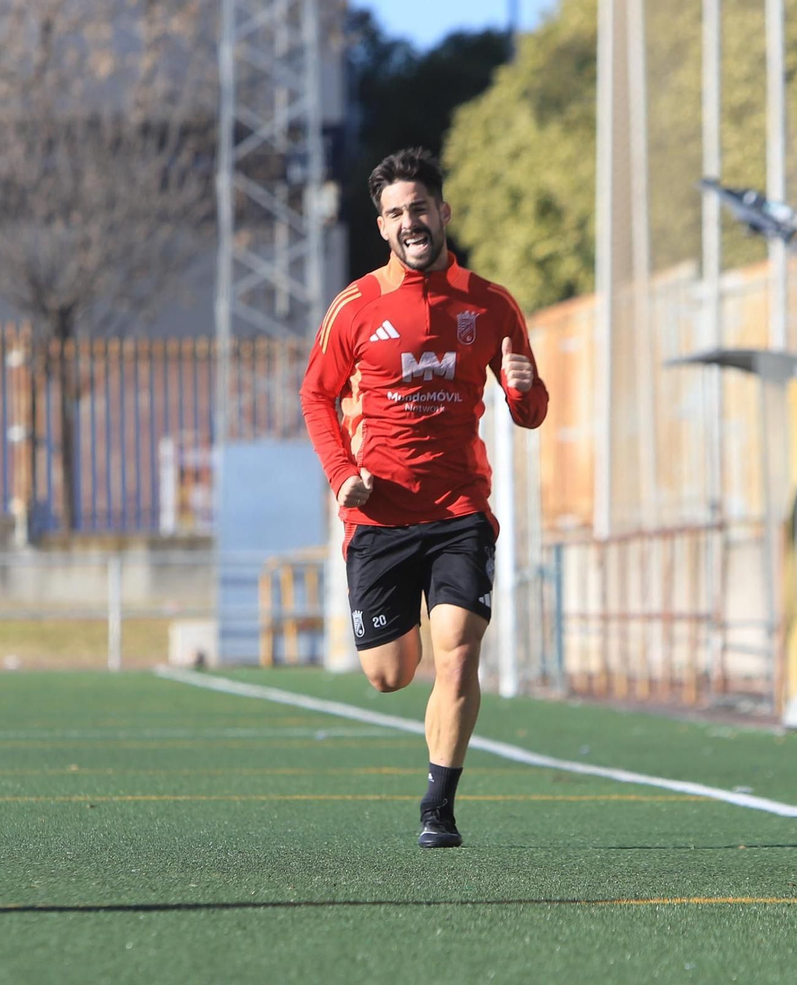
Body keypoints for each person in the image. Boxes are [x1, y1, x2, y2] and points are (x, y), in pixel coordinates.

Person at [300, 147, 549, 848]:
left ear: (444, 212)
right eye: (395, 213)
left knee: (459, 651)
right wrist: (341, 471)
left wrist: (525, 387)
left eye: (420, 208)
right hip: (378, 512)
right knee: (389, 675)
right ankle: (398, 660)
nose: (410, 222)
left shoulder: (492, 304)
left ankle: (439, 803)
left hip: (459, 510)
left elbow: (528, 412)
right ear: (382, 227)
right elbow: (316, 395)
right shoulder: (354, 307)